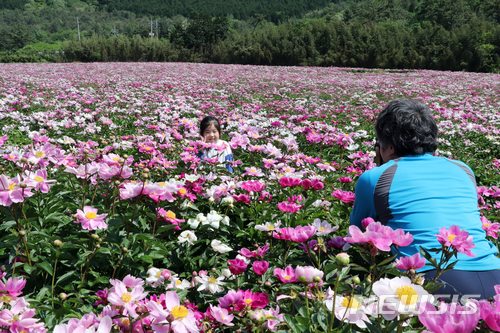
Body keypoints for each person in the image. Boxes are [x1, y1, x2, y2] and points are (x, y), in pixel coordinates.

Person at [350, 99, 500, 299]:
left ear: (389, 146)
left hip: (435, 279)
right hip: (494, 272)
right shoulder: (464, 169)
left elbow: (358, 235)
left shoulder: (376, 177)